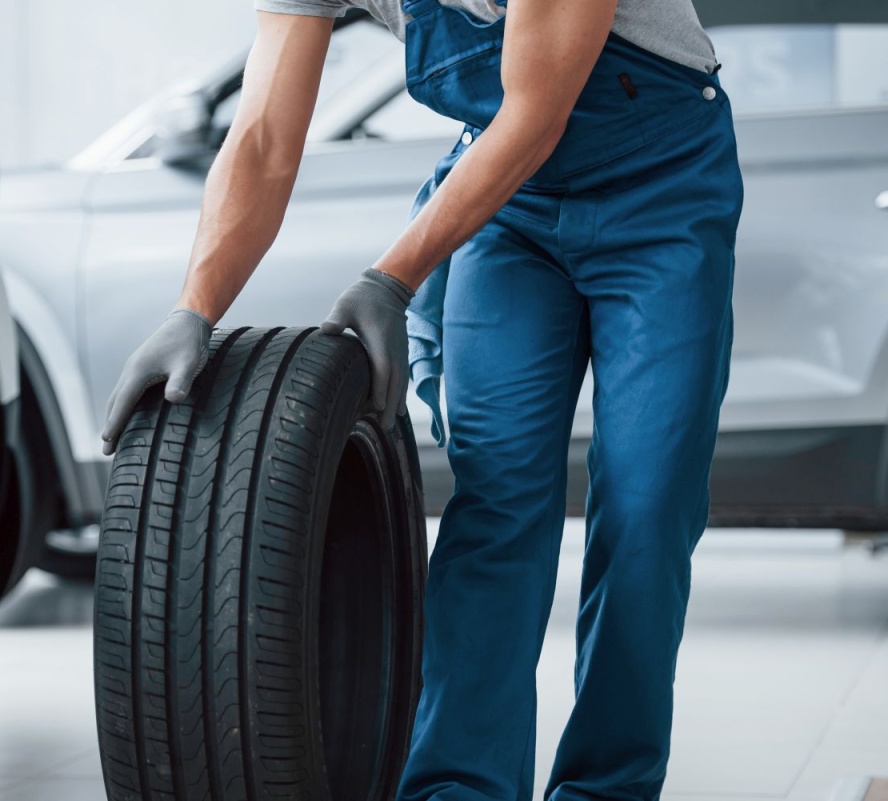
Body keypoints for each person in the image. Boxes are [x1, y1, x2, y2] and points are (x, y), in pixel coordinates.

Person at [100, 0, 743, 797]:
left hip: (662, 190)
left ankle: (609, 785)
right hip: (511, 211)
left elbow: (537, 115)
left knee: (650, 509)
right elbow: (264, 137)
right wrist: (194, 306)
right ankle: (458, 786)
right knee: (497, 500)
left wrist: (390, 278)